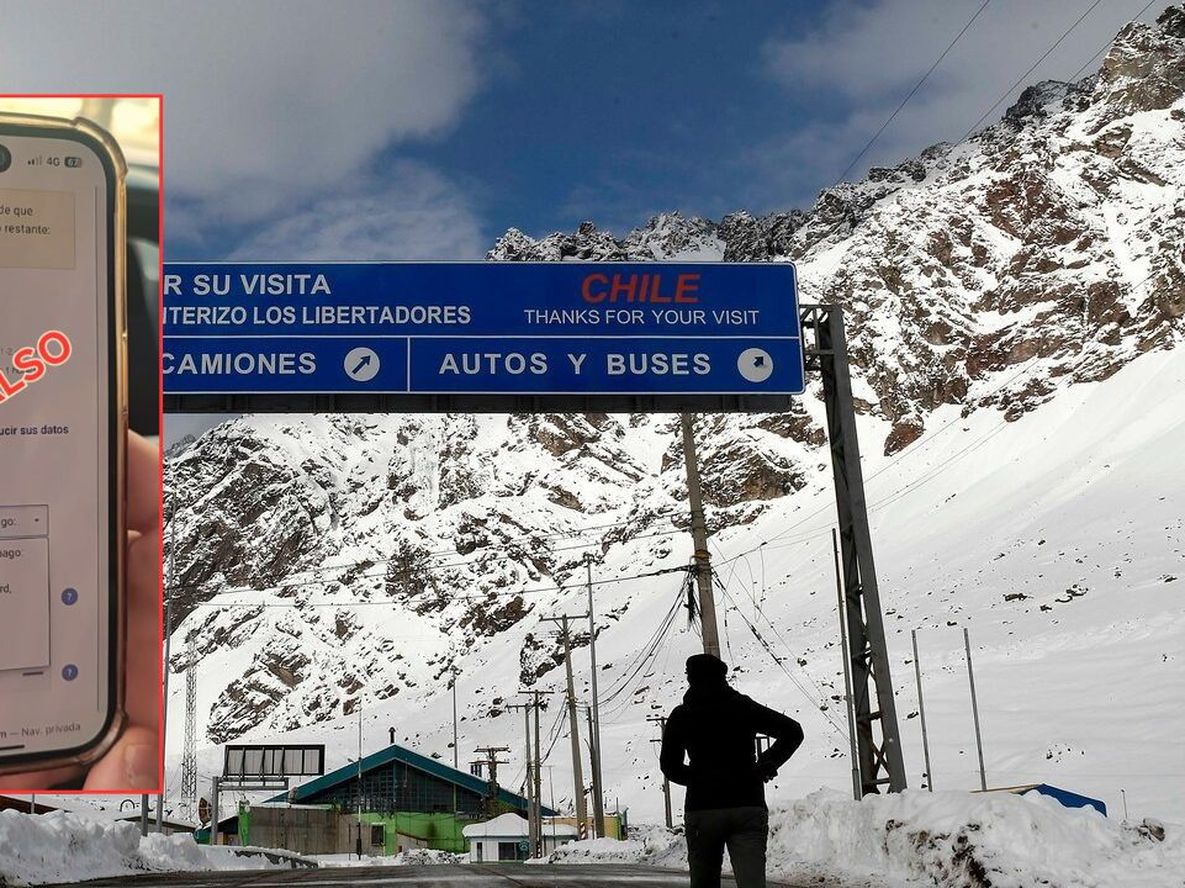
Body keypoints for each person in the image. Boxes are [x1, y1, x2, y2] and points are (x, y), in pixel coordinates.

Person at [660, 653, 804, 888]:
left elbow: (669, 766)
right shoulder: (742, 707)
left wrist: (699, 781)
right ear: (723, 677)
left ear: (691, 679)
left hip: (703, 809)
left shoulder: (682, 715)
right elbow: (793, 731)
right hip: (747, 804)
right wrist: (767, 763)